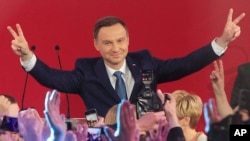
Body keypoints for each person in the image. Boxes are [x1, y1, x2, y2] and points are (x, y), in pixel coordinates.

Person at [7, 8, 245, 120]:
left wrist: (221, 42)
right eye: (108, 43)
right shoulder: (86, 72)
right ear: (96, 45)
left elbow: (185, 64)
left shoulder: (145, 63)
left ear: (128, 41)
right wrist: (27, 55)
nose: (116, 48)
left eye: (120, 41)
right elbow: (52, 78)